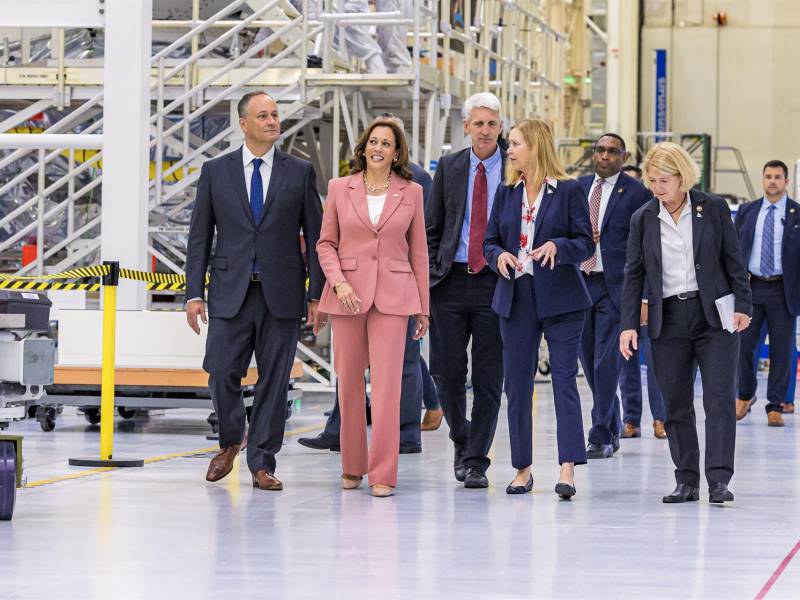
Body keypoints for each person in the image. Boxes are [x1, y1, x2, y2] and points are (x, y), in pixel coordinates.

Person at [185, 91, 324, 491]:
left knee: (274, 381)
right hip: (230, 291)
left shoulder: (298, 172)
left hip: (280, 294)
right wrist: (194, 293)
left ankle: (262, 461)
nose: (271, 121)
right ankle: (231, 440)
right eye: (262, 115)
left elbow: (315, 236)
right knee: (221, 371)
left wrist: (316, 295)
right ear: (243, 124)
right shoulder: (216, 171)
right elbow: (200, 237)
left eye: (275, 115)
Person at [620, 141, 752, 504]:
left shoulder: (712, 208)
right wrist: (628, 324)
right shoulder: (643, 218)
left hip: (714, 318)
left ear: (683, 178)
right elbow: (633, 275)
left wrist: (744, 305)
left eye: (664, 180)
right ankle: (687, 479)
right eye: (652, 180)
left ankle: (719, 479)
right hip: (668, 319)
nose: (657, 187)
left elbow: (734, 260)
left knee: (719, 401)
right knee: (675, 403)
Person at [315, 117, 429, 497]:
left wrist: (422, 307)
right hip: (347, 295)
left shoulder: (411, 192)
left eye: (387, 143)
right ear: (364, 148)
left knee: (387, 388)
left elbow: (419, 252)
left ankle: (383, 472)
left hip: (394, 296)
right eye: (373, 142)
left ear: (397, 153)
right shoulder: (338, 188)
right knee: (348, 383)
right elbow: (325, 244)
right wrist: (339, 282)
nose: (379, 148)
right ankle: (352, 466)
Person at [484, 118, 594, 498]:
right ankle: (522, 469)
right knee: (517, 384)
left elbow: (586, 244)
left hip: (562, 298)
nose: (509, 150)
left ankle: (567, 468)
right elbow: (490, 241)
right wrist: (497, 257)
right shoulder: (506, 192)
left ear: (534, 146)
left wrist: (558, 248)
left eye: (514, 144)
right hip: (516, 297)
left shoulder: (568, 190)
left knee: (564, 380)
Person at [426, 92, 505, 489]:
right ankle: (462, 438)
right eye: (479, 124)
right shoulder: (452, 166)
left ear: (500, 126)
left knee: (490, 377)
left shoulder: (516, 167)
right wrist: (430, 273)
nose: (486, 130)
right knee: (447, 372)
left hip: (497, 281)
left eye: (492, 123)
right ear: (467, 127)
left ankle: (476, 460)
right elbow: (434, 225)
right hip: (451, 281)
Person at [577, 134, 652, 457]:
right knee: (588, 361)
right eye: (601, 150)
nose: (605, 156)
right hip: (580, 284)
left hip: (617, 288)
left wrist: (645, 296)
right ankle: (614, 419)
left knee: (607, 363)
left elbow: (648, 249)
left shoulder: (637, 193)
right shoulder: (576, 188)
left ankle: (600, 434)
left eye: (613, 152)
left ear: (623, 156)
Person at [734, 160, 800, 427]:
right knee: (744, 346)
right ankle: (745, 396)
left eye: (777, 177)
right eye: (768, 176)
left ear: (786, 181)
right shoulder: (748, 211)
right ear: (763, 180)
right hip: (751, 288)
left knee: (782, 350)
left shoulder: (797, 213)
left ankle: (775, 404)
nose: (772, 181)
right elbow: (735, 250)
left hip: (783, 289)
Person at [618, 164, 667, 439]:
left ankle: (660, 418)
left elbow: (651, 264)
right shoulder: (621, 218)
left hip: (649, 300)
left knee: (655, 362)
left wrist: (645, 299)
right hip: (621, 298)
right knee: (627, 363)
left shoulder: (651, 216)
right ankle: (631, 419)